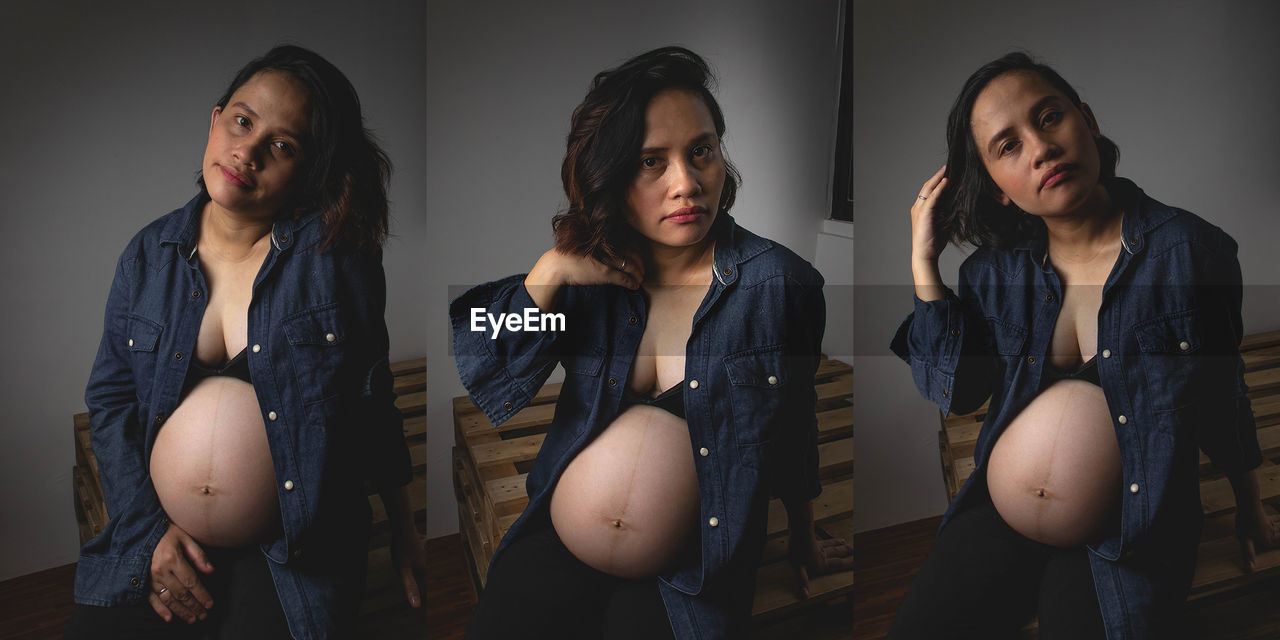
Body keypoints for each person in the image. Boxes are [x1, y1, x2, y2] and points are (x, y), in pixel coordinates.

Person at [450, 46, 853, 640]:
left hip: (693, 572)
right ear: (611, 176)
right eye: (649, 161)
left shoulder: (781, 286)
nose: (686, 184)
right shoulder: (591, 279)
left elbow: (793, 419)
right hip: (557, 541)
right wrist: (550, 273)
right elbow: (485, 357)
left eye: (701, 151)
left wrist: (801, 531)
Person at [888, 52, 1280, 640]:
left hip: (1131, 527)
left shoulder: (1190, 253)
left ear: (1087, 121)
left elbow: (1221, 391)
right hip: (999, 517)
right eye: (1007, 147)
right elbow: (957, 392)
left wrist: (1250, 504)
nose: (1040, 148)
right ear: (996, 188)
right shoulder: (993, 276)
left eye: (1048, 117)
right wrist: (924, 264)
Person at [66, 45, 426, 640]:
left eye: (283, 146)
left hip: (294, 547)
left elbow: (371, 399)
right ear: (215, 121)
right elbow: (110, 401)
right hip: (159, 531)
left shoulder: (336, 262)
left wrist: (406, 527)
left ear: (308, 171)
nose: (249, 151)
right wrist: (148, 531)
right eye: (242, 121)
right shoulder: (146, 257)